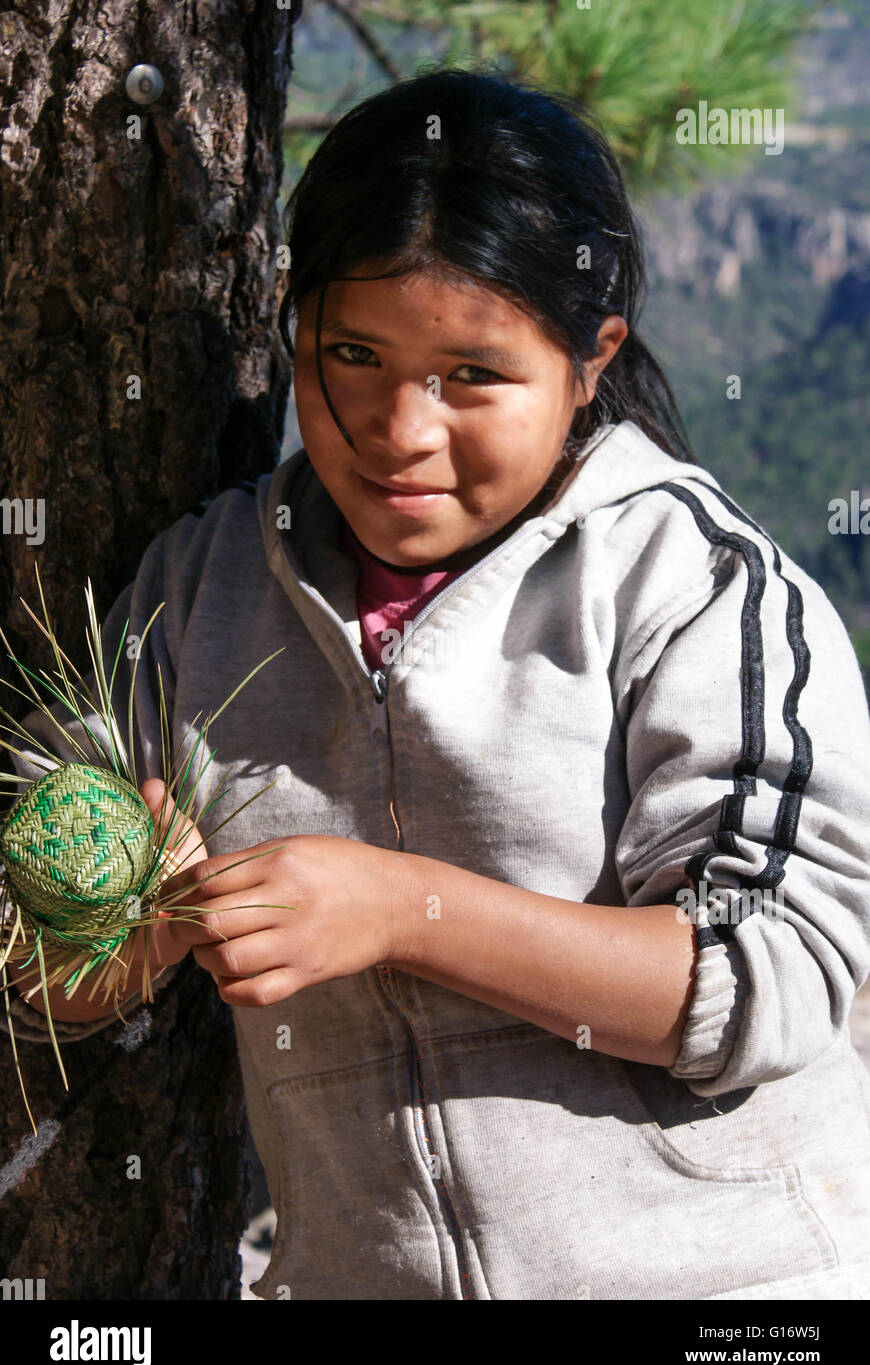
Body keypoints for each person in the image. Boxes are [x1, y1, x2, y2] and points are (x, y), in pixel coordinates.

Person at [3, 66, 870, 1301]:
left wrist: (404, 910)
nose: (401, 430)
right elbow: (33, 962)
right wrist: (124, 934)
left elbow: (762, 981)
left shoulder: (695, 588)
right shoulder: (201, 591)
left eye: (473, 376)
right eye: (351, 353)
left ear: (588, 361)